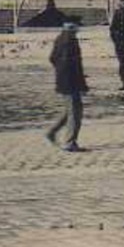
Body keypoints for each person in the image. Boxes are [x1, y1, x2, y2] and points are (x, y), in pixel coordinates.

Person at [46, 20, 89, 152]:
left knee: (70, 111)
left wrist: (60, 74)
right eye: (77, 27)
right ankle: (70, 142)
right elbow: (71, 65)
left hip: (65, 81)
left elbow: (52, 58)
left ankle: (52, 132)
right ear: (73, 28)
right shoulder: (70, 41)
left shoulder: (60, 38)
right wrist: (78, 82)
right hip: (71, 83)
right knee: (75, 113)